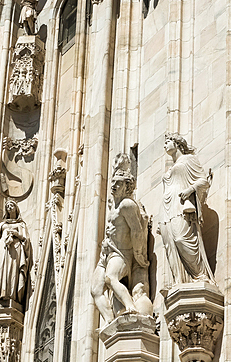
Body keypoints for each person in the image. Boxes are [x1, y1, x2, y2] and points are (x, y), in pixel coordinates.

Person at [92, 158, 151, 321]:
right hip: (106, 253)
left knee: (111, 278)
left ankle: (130, 307)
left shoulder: (127, 205)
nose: (113, 186)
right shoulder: (114, 206)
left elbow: (137, 231)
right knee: (95, 290)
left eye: (118, 183)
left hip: (121, 253)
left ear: (127, 186)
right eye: (112, 182)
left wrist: (139, 256)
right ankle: (110, 322)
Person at [159, 134, 214, 286]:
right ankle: (179, 281)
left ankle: (200, 275)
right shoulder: (171, 168)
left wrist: (190, 190)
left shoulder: (189, 159)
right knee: (170, 245)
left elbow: (203, 181)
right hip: (166, 209)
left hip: (181, 206)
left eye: (167, 142)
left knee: (181, 239)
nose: (165, 146)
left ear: (177, 143)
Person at [0, 199, 33, 313]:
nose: (10, 208)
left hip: (15, 250)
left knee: (12, 273)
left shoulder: (20, 224)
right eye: (8, 206)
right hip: (2, 249)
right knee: (0, 270)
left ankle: (12, 295)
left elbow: (25, 238)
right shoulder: (2, 224)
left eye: (12, 206)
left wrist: (16, 234)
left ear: (16, 208)